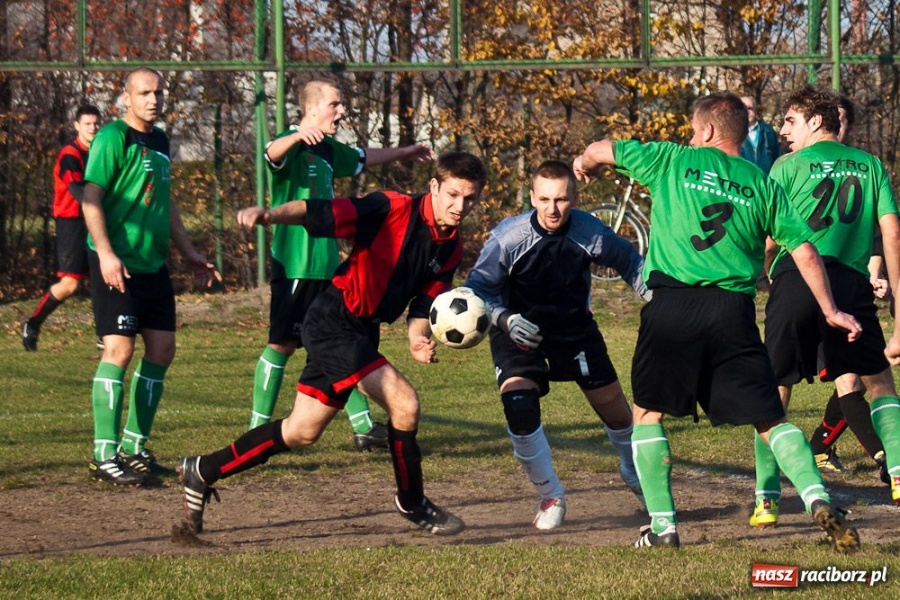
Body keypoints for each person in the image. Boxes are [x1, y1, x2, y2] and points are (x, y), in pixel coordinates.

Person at [573, 91, 862, 553]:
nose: (690, 135)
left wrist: (585, 163)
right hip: (732, 312)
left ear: (706, 131)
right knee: (770, 418)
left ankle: (663, 526)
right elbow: (805, 251)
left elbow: (603, 148)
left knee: (648, 414)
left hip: (672, 306)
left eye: (693, 128)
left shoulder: (670, 159)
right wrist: (831, 310)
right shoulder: (763, 183)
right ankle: (816, 497)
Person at [177, 151, 486, 537]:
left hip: (361, 330)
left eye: (470, 198)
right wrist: (271, 215)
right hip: (333, 321)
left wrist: (417, 338)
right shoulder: (391, 208)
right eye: (453, 194)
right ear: (434, 186)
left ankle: (202, 470)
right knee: (404, 404)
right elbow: (318, 210)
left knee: (301, 431)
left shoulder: (450, 246)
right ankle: (412, 501)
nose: (461, 206)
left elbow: (425, 302)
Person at [251, 79, 435, 452]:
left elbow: (363, 157)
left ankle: (364, 426)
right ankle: (255, 428)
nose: (342, 110)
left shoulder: (329, 150)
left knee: (346, 341)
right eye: (335, 104)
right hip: (296, 264)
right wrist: (297, 135)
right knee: (282, 344)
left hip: (328, 266)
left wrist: (405, 152)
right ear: (312, 109)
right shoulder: (294, 142)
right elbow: (271, 153)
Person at [465, 160, 649, 530]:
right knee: (518, 405)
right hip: (518, 331)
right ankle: (551, 494)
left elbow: (629, 260)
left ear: (574, 199)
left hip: (573, 330)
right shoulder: (508, 237)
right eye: (545, 199)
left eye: (562, 200)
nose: (552, 209)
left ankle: (633, 472)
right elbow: (478, 289)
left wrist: (653, 297)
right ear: (532, 197)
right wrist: (505, 319)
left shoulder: (589, 231)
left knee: (616, 414)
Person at [757, 85, 900, 525]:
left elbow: (767, 236)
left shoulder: (785, 166)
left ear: (816, 121)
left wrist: (762, 271)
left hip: (797, 280)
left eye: (790, 121)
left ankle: (765, 498)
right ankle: (898, 471)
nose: (783, 131)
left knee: (775, 389)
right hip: (851, 286)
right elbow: (892, 235)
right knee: (879, 383)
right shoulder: (872, 165)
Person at [81, 68, 221, 485]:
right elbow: (91, 197)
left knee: (162, 350)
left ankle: (134, 447)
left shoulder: (159, 141)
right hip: (116, 262)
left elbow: (166, 203)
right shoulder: (113, 137)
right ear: (126, 97)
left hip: (152, 265)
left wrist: (190, 253)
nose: (154, 99)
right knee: (119, 351)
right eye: (144, 92)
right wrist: (105, 253)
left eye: (159, 92)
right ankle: (103, 455)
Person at [807, 94, 888, 483]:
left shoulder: (864, 169)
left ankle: (818, 448)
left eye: (837, 119)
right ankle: (886, 459)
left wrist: (876, 275)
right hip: (813, 286)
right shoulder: (798, 167)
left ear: (845, 126)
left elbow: (875, 234)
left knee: (857, 375)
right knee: (852, 380)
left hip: (852, 284)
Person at [22, 105, 102, 351]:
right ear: (77, 126)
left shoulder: (101, 151)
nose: (92, 128)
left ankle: (105, 337)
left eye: (96, 123)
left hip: (96, 218)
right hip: (73, 222)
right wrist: (98, 207)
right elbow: (76, 188)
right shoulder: (70, 153)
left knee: (105, 278)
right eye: (87, 124)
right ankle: (32, 324)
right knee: (70, 285)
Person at [739, 95, 781, 174]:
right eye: (743, 108)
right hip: (743, 181)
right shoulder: (734, 132)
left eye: (749, 108)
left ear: (755, 110)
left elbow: (777, 157)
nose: (746, 111)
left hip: (766, 181)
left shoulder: (768, 131)